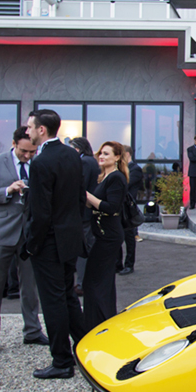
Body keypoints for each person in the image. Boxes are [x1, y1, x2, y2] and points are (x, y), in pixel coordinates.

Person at [23, 109, 88, 380]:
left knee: (53, 302)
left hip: (49, 241)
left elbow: (41, 212)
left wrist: (31, 245)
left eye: (29, 127)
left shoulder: (40, 163)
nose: (26, 132)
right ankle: (87, 350)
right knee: (68, 297)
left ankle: (61, 361)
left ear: (41, 130)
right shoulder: (73, 157)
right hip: (70, 237)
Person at [0, 126, 47, 358]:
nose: (28, 156)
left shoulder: (38, 163)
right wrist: (8, 189)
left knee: (30, 287)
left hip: (29, 234)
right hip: (1, 232)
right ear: (14, 144)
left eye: (32, 152)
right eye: (24, 151)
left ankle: (33, 330)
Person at [82, 141, 127, 331]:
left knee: (95, 281)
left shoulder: (116, 177)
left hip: (108, 236)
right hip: (102, 234)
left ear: (117, 157)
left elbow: (112, 207)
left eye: (106, 154)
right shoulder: (104, 177)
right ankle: (99, 322)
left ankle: (99, 324)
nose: (101, 156)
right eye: (101, 153)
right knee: (100, 281)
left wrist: (86, 196)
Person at [70, 137, 100, 295]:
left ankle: (81, 284)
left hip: (85, 213)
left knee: (84, 249)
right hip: (90, 211)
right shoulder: (91, 161)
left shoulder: (85, 162)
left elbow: (80, 186)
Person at [117, 146, 144, 275]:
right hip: (118, 207)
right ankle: (117, 264)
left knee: (129, 238)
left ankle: (129, 265)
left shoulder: (136, 169)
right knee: (117, 237)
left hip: (128, 210)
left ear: (127, 154)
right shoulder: (120, 169)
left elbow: (125, 184)